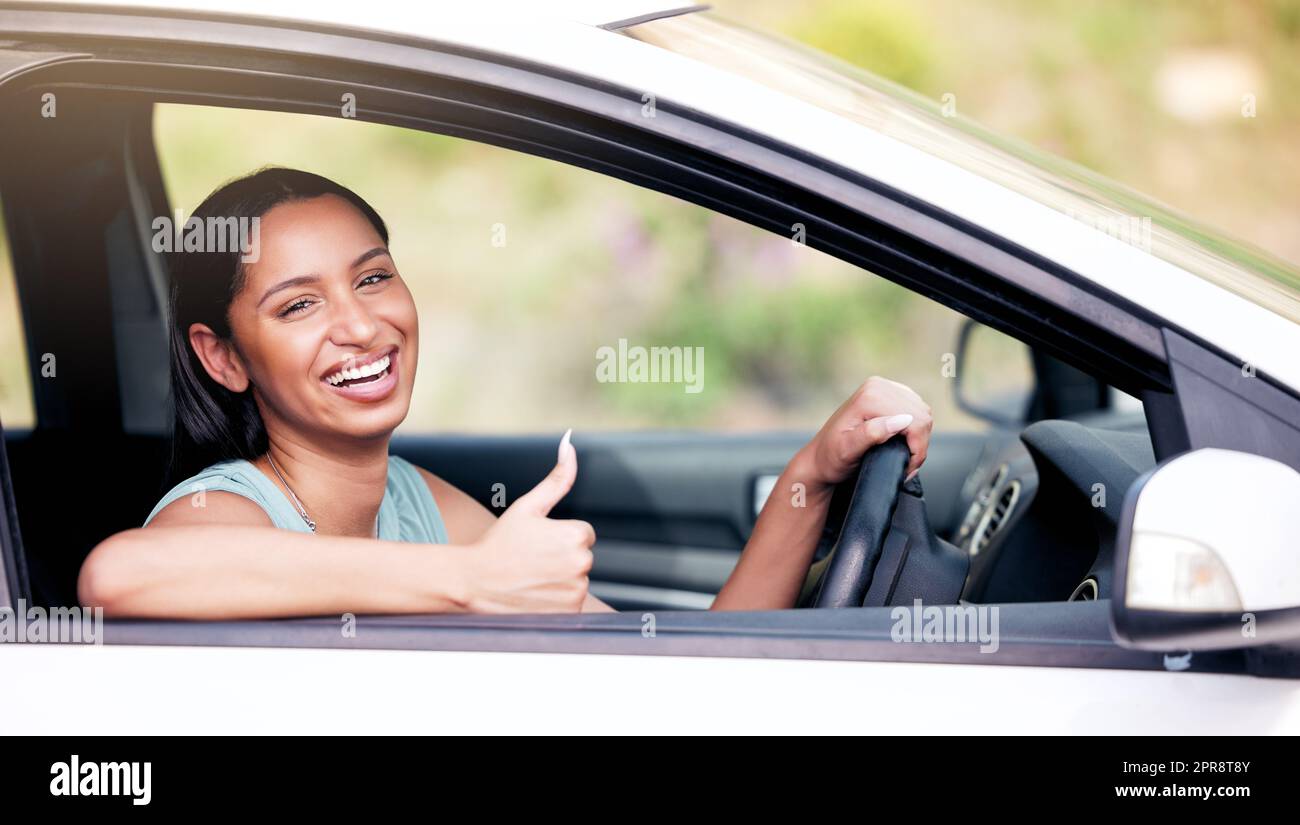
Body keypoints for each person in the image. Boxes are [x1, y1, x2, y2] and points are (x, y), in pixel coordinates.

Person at [77, 167, 932, 619]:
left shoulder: (418, 502)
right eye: (300, 304)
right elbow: (119, 573)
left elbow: (666, 668)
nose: (361, 327)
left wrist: (813, 474)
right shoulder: (231, 507)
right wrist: (472, 580)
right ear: (223, 357)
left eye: (373, 278)